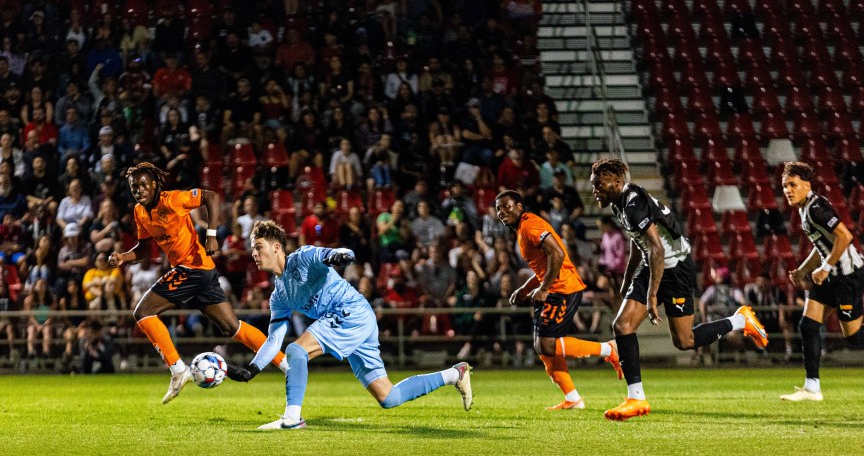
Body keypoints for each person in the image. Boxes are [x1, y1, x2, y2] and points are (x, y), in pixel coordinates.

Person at [227, 220, 473, 430]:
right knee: (388, 396)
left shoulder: (302, 258)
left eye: (258, 247)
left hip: (350, 312)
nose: (254, 253)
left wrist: (339, 256)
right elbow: (274, 340)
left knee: (296, 351)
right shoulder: (279, 295)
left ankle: (292, 418)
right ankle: (455, 374)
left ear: (276, 247)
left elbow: (334, 253)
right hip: (354, 320)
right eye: (253, 248)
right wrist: (252, 369)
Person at [589, 158, 768, 420]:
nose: (595, 190)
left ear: (617, 181)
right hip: (653, 265)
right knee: (623, 325)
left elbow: (657, 248)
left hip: (676, 269)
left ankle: (741, 320)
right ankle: (636, 399)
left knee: (685, 341)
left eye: (599, 184)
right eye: (593, 185)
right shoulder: (620, 203)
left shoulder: (633, 203)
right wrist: (628, 279)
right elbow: (639, 243)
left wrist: (652, 295)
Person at [108, 162, 287, 404]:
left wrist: (211, 235)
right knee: (232, 327)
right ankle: (286, 364)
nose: (138, 190)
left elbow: (212, 197)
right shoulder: (140, 212)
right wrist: (123, 257)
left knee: (143, 312)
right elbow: (144, 249)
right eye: (134, 187)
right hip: (201, 272)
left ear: (154, 184)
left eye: (143, 185)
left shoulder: (173, 199)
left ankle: (178, 369)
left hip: (192, 268)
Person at [495, 190, 621, 410]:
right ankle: (572, 398)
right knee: (543, 348)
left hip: (562, 289)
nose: (502, 212)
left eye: (507, 206)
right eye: (498, 209)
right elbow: (544, 266)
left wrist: (544, 288)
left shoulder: (530, 224)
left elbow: (557, 254)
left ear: (519, 206)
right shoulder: (523, 228)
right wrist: (525, 289)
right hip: (553, 288)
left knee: (547, 344)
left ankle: (608, 349)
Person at [779, 162, 864, 401]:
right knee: (808, 326)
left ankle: (813, 387)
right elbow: (822, 246)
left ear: (807, 185)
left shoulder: (816, 208)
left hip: (847, 276)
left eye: (793, 185)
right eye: (785, 186)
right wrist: (802, 271)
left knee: (854, 338)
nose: (788, 190)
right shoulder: (804, 208)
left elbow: (845, 237)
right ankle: (812, 388)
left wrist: (825, 269)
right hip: (831, 276)